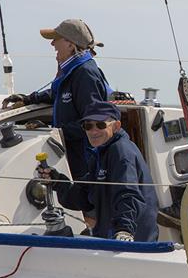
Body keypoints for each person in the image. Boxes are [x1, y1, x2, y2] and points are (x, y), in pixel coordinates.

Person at [2, 18, 111, 179]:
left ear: (70, 44)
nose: (52, 44)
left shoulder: (85, 74)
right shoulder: (74, 71)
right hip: (72, 156)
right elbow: (58, 92)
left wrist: (54, 131)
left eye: (56, 39)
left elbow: (93, 123)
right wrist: (29, 99)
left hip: (83, 161)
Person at [41, 101, 159, 242]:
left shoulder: (121, 151)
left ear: (116, 126)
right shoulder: (101, 152)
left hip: (133, 242)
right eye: (88, 126)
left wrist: (124, 230)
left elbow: (128, 193)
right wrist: (58, 181)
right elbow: (85, 197)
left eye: (100, 125)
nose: (93, 131)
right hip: (109, 235)